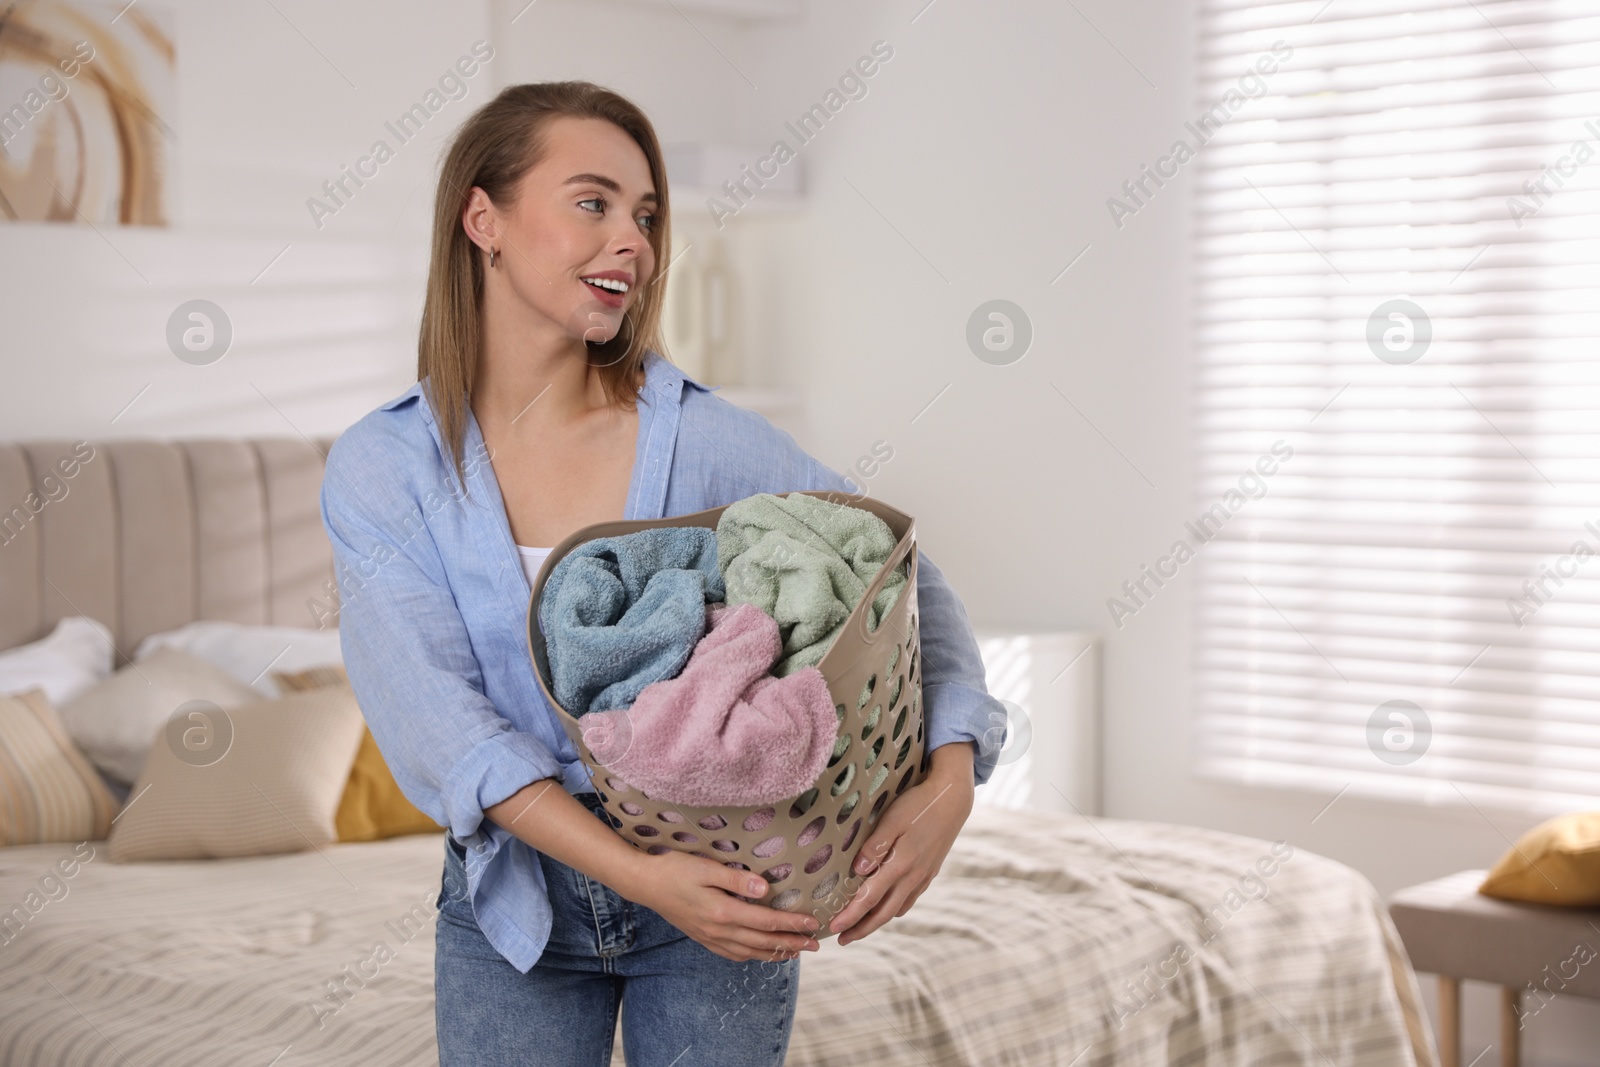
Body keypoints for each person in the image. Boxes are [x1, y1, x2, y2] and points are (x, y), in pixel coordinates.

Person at [319, 80, 1006, 1067]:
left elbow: (902, 574)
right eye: (592, 202)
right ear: (485, 218)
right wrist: (638, 877)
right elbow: (436, 718)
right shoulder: (387, 468)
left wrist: (949, 779)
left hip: (727, 885)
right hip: (515, 905)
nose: (634, 241)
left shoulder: (709, 440)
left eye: (645, 214)